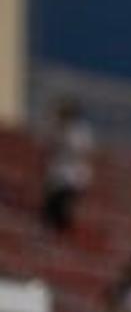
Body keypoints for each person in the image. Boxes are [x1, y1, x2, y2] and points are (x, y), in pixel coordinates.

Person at [40, 98, 94, 233]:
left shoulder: (80, 130)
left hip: (71, 175)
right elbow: (46, 144)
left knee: (63, 205)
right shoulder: (55, 126)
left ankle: (61, 228)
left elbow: (81, 151)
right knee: (50, 207)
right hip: (57, 173)